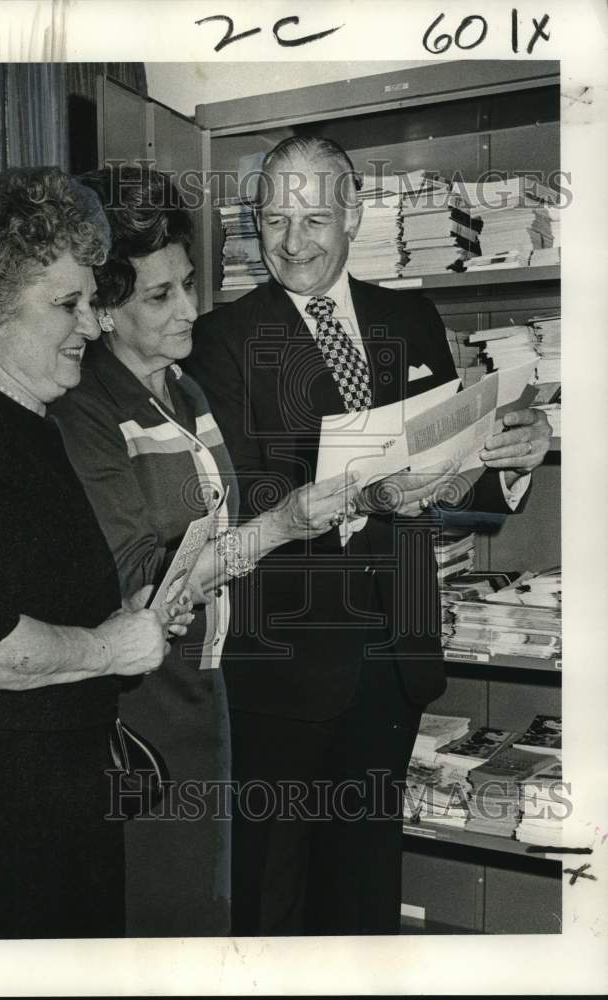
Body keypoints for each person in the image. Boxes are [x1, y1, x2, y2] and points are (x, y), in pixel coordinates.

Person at [186, 136, 553, 936]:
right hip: (284, 663)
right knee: (270, 898)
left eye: (315, 216)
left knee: (363, 897)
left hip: (393, 654)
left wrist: (511, 457)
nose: (292, 241)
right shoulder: (221, 338)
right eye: (274, 218)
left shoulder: (407, 316)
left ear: (352, 214)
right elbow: (239, 493)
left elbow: (452, 469)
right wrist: (362, 492)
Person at [50, 166, 360, 936]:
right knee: (158, 920)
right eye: (159, 296)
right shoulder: (85, 411)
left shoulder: (183, 390)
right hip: (140, 712)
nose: (190, 308)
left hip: (208, 696)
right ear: (100, 310)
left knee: (208, 915)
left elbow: (220, 518)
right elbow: (141, 589)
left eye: (188, 281)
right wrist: (282, 524)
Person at [0, 165, 192, 940]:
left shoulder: (26, 416)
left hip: (54, 803)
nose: (92, 326)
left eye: (91, 301)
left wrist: (124, 615)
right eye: (67, 304)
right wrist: (104, 646)